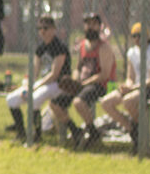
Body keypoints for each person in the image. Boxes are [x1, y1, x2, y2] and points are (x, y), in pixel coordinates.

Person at [50, 12, 117, 149]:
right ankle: (76, 131)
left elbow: (104, 74)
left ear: (99, 26)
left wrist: (83, 84)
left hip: (100, 85)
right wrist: (74, 80)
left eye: (93, 24)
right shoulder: (82, 46)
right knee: (55, 104)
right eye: (87, 24)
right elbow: (78, 68)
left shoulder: (104, 47)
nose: (90, 27)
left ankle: (93, 133)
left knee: (78, 102)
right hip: (82, 85)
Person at [5, 15, 70, 140]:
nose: (42, 31)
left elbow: (54, 74)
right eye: (39, 28)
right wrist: (27, 85)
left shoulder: (60, 47)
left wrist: (35, 87)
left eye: (46, 28)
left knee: (34, 99)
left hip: (58, 84)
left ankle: (37, 135)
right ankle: (21, 133)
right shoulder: (41, 48)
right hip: (43, 83)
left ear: (53, 29)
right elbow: (34, 71)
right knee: (11, 99)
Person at [99, 23, 150, 150]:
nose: (137, 39)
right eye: (134, 36)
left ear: (147, 37)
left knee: (128, 101)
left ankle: (140, 132)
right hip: (136, 88)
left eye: (140, 36)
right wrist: (126, 86)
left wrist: (132, 88)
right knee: (106, 102)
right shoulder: (132, 53)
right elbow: (130, 77)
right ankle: (133, 131)